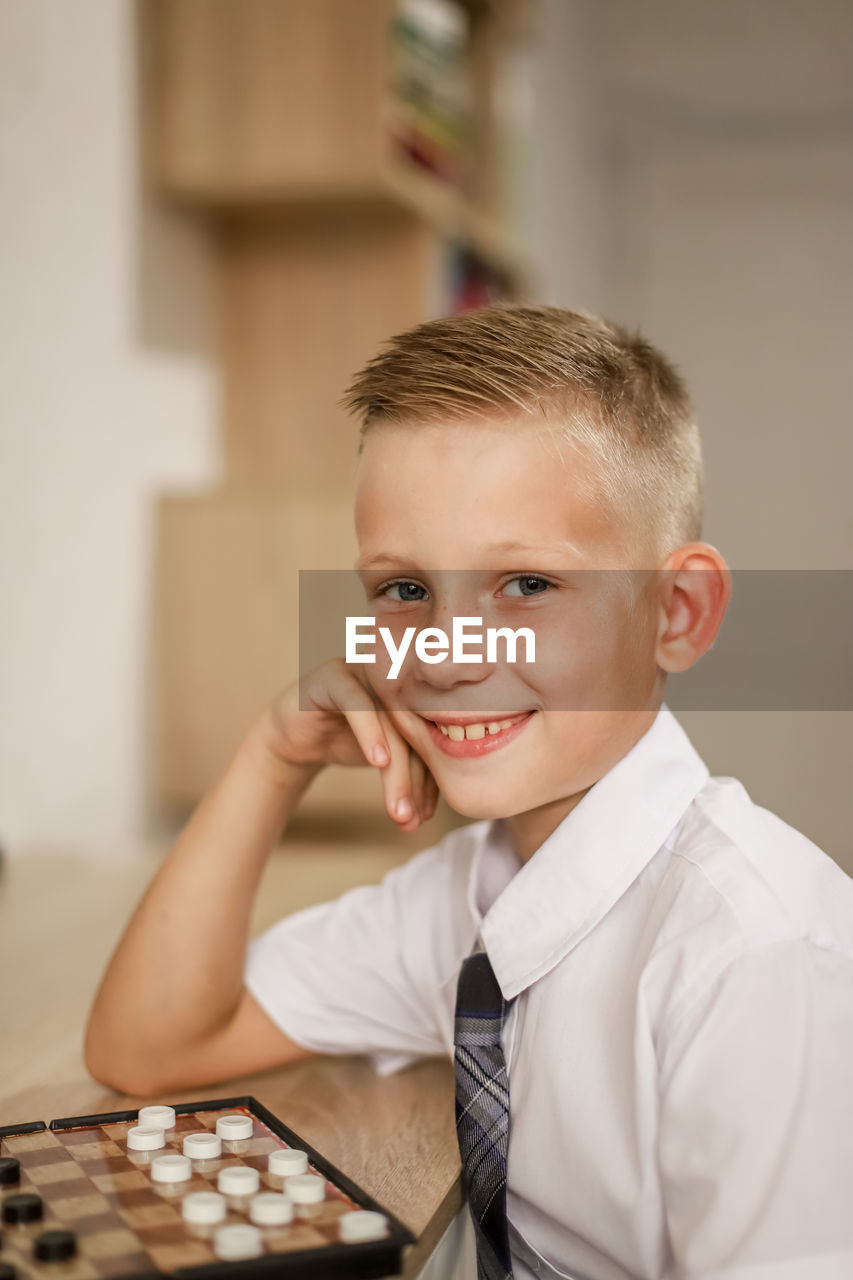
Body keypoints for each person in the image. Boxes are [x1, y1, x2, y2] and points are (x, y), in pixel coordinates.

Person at [85, 305, 853, 1279]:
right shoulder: (467, 893)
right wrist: (276, 754)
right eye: (404, 590)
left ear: (677, 611)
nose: (448, 655)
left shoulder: (754, 959)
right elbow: (151, 1043)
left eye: (525, 583)